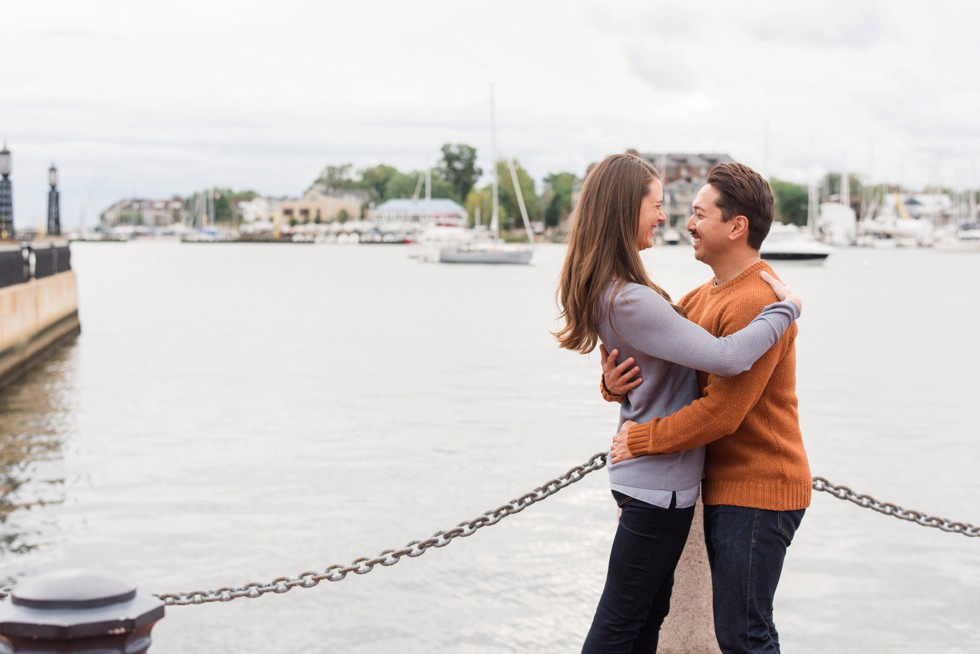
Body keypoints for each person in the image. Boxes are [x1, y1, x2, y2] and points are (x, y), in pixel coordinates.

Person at [555, 153, 802, 653]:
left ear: (736, 227)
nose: (681, 221)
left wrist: (641, 438)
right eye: (664, 205)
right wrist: (614, 385)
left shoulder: (756, 301)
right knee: (643, 622)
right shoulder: (697, 297)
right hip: (705, 485)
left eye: (698, 213)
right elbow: (654, 359)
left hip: (757, 484)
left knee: (743, 635)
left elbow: (722, 409)